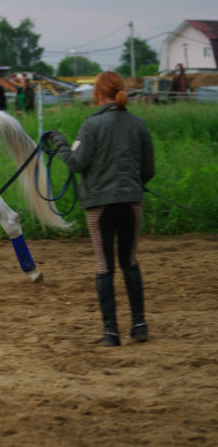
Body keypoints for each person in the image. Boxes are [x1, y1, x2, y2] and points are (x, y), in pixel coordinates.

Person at [50, 71, 155, 346]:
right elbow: (148, 169)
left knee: (104, 266)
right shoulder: (138, 124)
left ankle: (111, 333)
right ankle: (139, 324)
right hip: (131, 203)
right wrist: (135, 185)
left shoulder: (91, 125)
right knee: (129, 261)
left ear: (97, 93)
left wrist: (59, 141)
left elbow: (77, 164)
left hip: (99, 206)